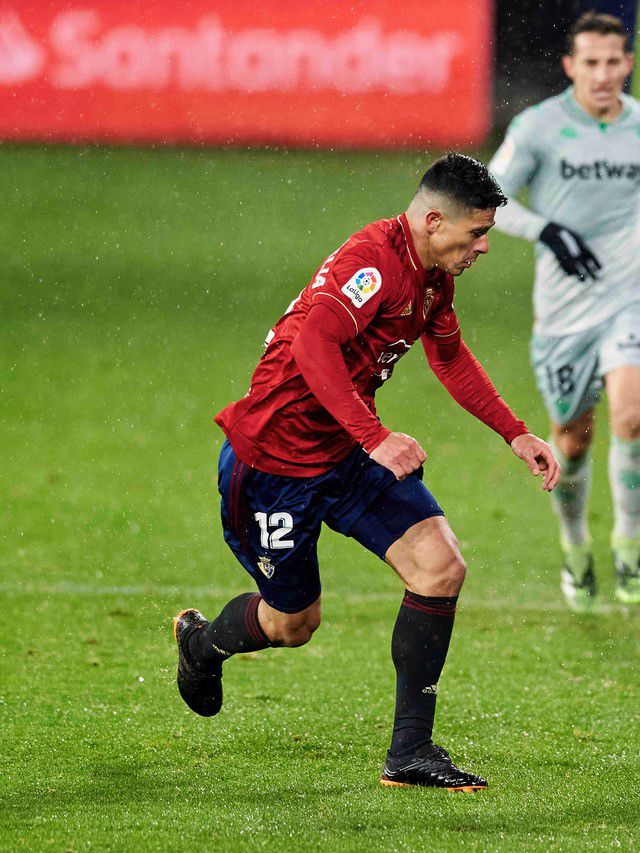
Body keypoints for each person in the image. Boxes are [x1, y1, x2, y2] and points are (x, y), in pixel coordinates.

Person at [173, 153, 560, 791]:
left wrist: (514, 432)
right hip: (273, 463)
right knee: (293, 624)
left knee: (440, 566)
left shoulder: (433, 276)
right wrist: (375, 437)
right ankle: (202, 645)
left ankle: (410, 753)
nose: (483, 246)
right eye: (476, 234)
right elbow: (311, 345)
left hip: (345, 453)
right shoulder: (372, 263)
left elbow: (451, 356)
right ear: (435, 221)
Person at [488, 12, 640, 612]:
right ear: (570, 66)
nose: (603, 75)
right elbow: (491, 200)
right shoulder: (539, 127)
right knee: (571, 443)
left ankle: (628, 541)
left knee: (631, 417)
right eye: (591, 63)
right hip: (562, 313)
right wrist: (546, 230)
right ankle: (574, 544)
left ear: (627, 64)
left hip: (629, 295)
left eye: (613, 63)